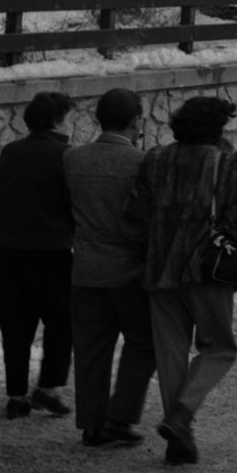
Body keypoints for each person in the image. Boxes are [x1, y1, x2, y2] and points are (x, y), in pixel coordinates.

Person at [123, 96, 237, 466]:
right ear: (217, 127)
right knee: (219, 348)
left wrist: (157, 247)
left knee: (171, 355)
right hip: (207, 272)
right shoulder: (230, 163)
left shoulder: (156, 160)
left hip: (160, 272)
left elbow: (134, 217)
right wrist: (230, 244)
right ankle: (181, 415)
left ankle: (178, 438)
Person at [64, 87, 155, 447]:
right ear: (136, 121)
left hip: (86, 266)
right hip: (129, 269)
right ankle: (120, 415)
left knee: (91, 348)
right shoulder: (142, 162)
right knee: (143, 341)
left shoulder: (73, 159)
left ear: (98, 118)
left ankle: (91, 422)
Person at [0, 90, 76, 420]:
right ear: (57, 121)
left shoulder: (11, 152)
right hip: (53, 253)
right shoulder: (66, 155)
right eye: (69, 118)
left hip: (9, 251)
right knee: (61, 323)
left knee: (15, 326)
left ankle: (16, 395)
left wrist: (2, 237)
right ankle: (48, 387)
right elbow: (72, 205)